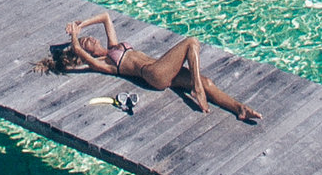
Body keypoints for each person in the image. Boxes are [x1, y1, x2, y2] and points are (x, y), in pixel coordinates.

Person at [52, 14, 261, 123]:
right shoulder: (105, 64)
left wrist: (82, 24)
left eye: (89, 36)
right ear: (91, 54)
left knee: (208, 82)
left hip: (161, 68)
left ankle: (239, 108)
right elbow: (79, 50)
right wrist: (74, 37)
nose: (91, 38)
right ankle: (196, 88)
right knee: (191, 42)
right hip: (154, 75)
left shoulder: (113, 46)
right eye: (88, 41)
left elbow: (106, 17)